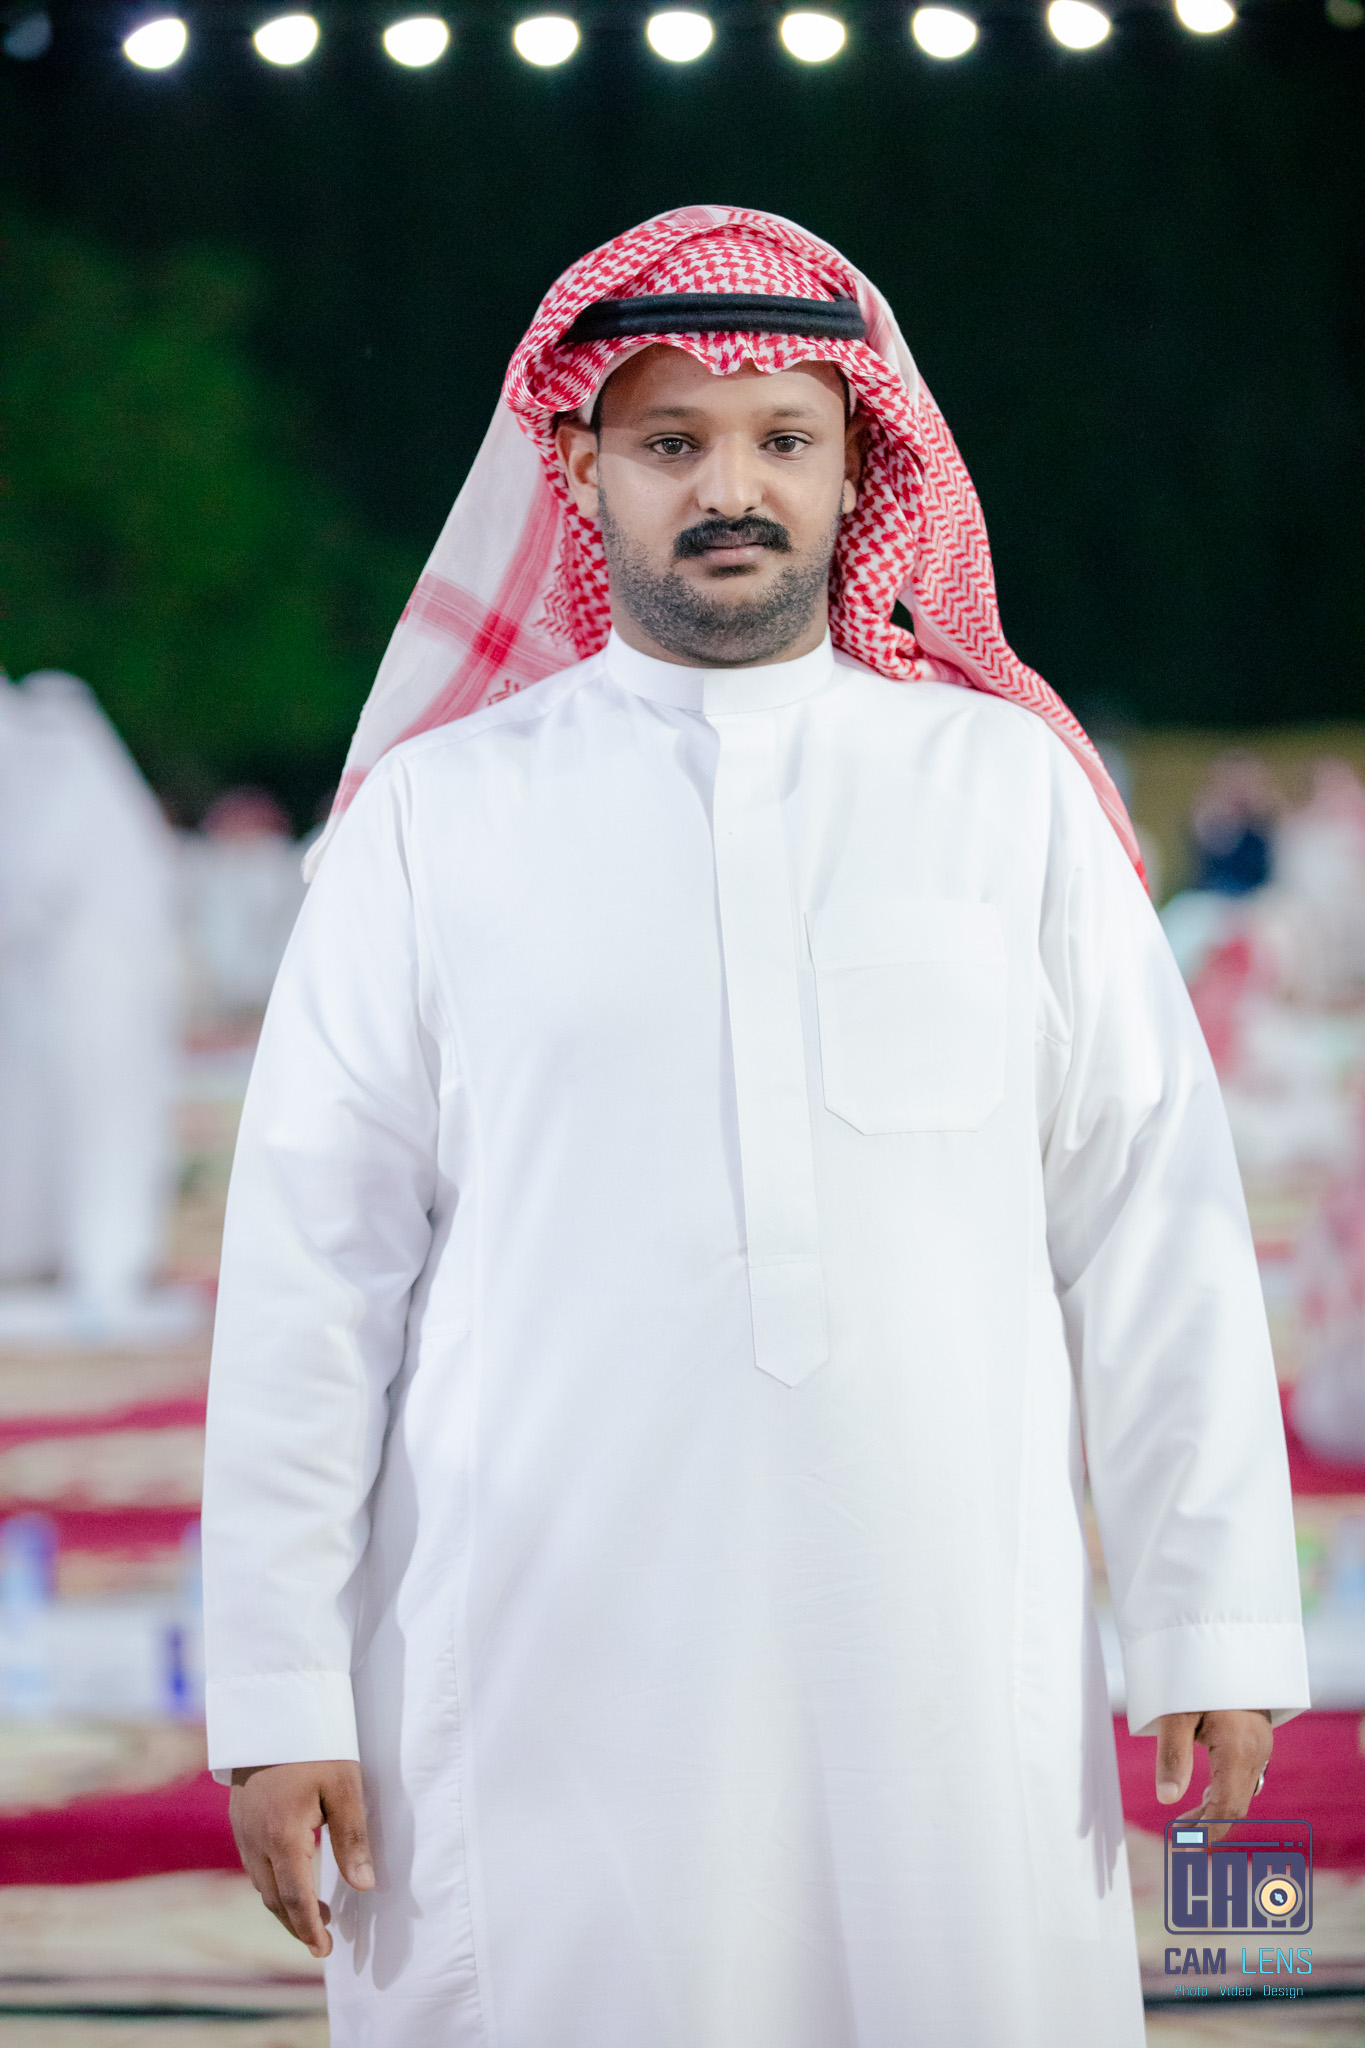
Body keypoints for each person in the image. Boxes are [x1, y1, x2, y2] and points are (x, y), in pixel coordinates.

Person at [203, 208, 1308, 2048]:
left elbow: (1153, 1230)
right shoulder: (434, 822)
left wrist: (1212, 1622)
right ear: (580, 468)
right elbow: (311, 1273)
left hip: (947, 1634)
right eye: (672, 442)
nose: (733, 490)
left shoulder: (1007, 794)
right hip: (538, 1648)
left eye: (785, 439)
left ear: (861, 465)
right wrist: (276, 1686)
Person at [0, 669, 198, 1345]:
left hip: (100, 985)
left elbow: (30, 882)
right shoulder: (79, 780)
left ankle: (108, 1266)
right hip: (81, 980)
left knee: (109, 1120)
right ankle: (85, 1257)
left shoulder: (60, 778)